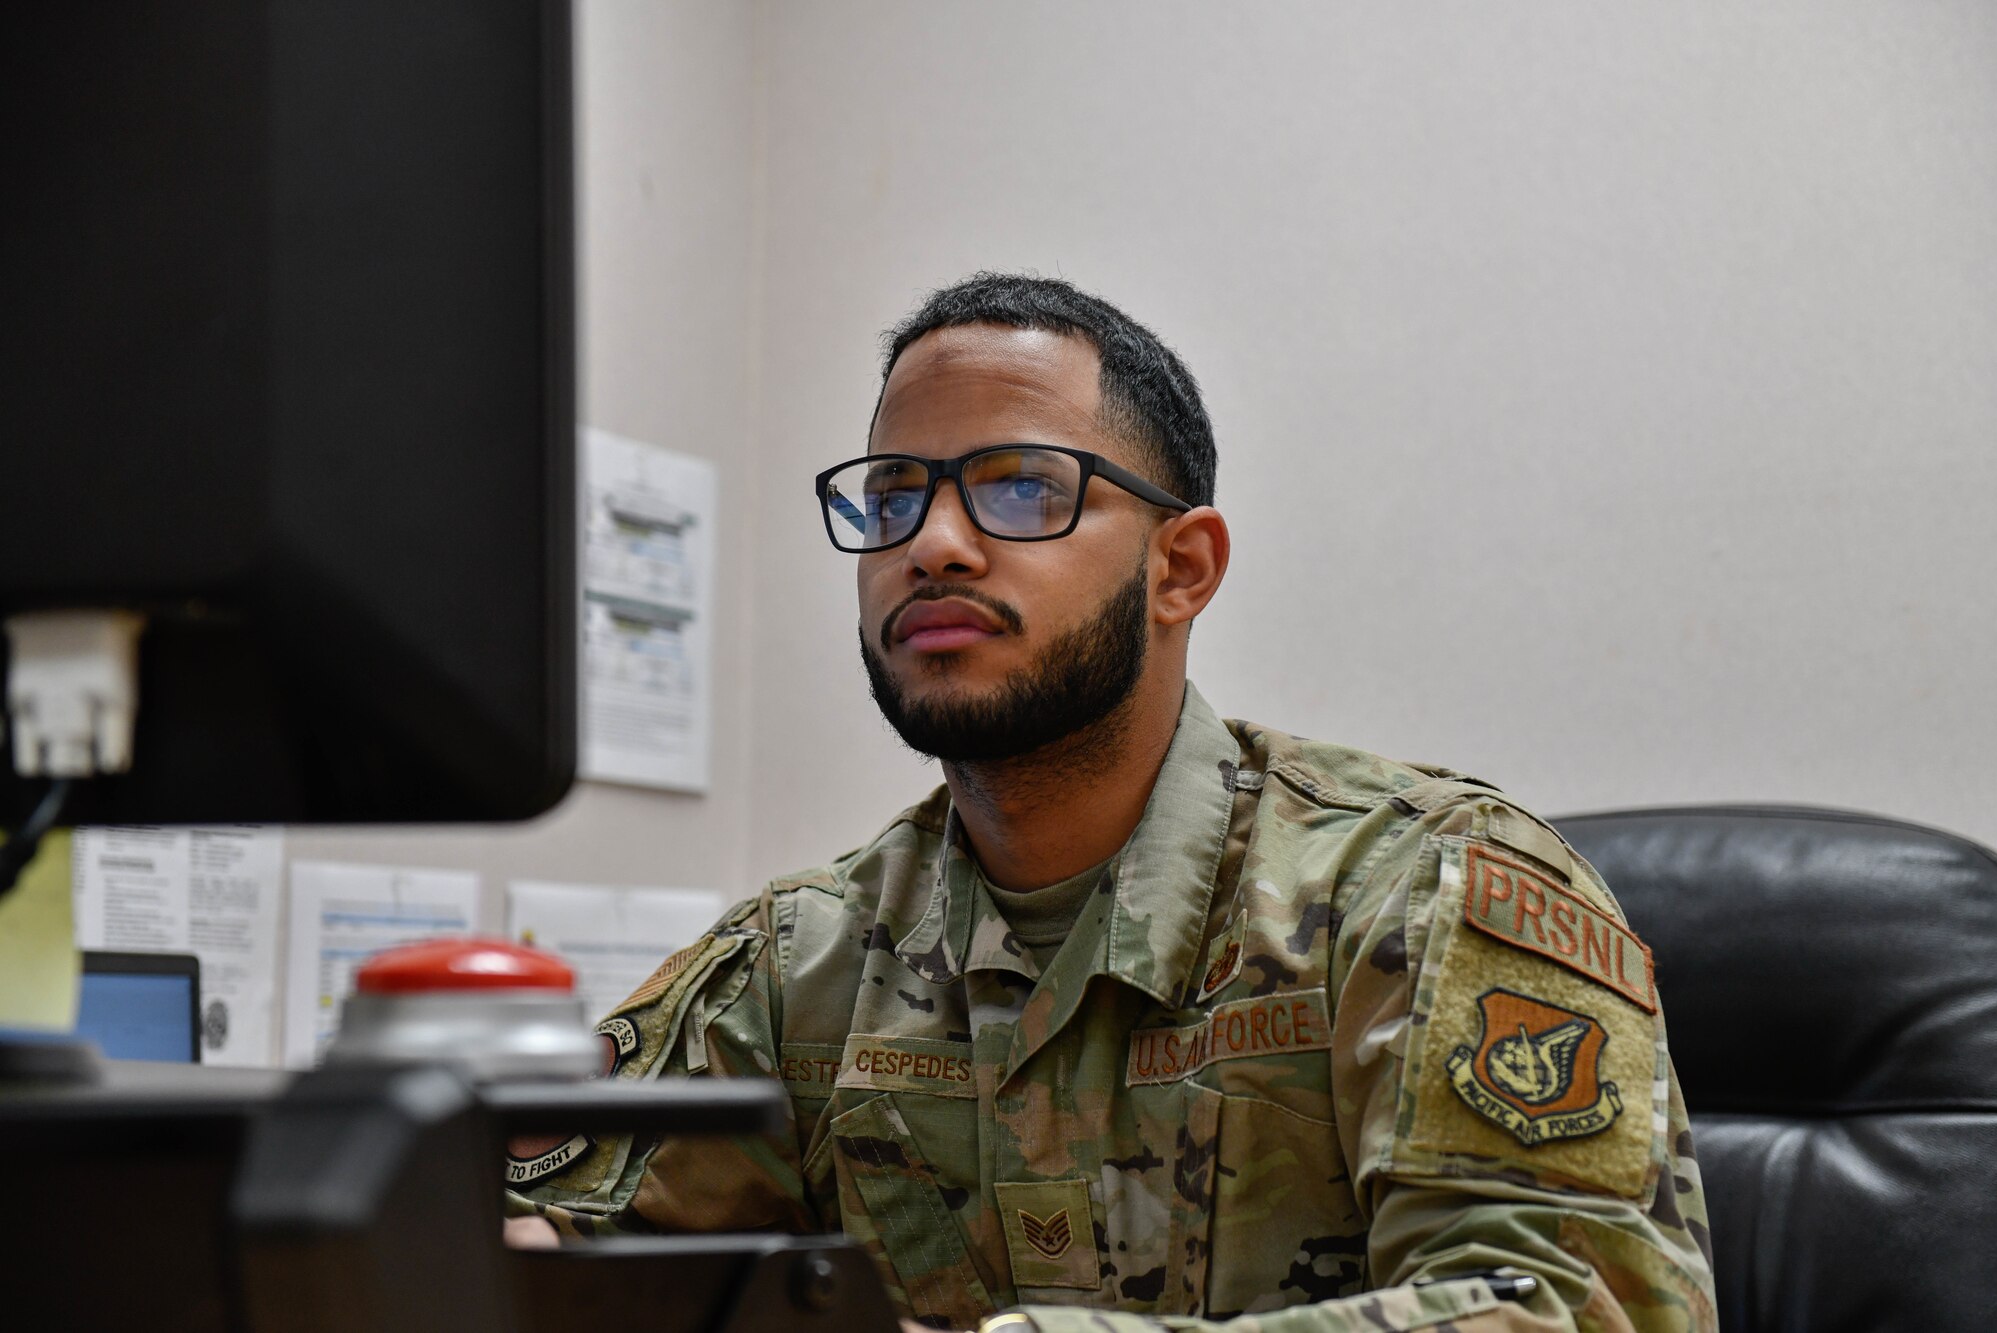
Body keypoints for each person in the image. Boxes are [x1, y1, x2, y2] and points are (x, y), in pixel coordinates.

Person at [505, 274, 1717, 1332]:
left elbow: (1570, 1307)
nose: (930, 543)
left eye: (1019, 488)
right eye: (890, 496)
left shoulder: (1425, 889)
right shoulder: (796, 962)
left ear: (1178, 567)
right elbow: (537, 1254)